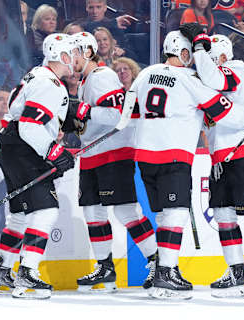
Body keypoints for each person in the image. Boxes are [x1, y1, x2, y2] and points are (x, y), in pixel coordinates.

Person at [129, 29, 244, 299]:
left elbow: (127, 112)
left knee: (163, 215)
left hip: (144, 155)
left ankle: (166, 269)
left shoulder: (145, 73)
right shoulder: (191, 79)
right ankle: (165, 274)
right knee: (176, 214)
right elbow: (224, 111)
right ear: (184, 52)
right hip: (174, 155)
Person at [179, 24, 244, 298]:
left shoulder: (237, 68)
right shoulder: (208, 79)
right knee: (224, 216)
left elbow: (214, 79)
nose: (207, 61)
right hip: (220, 158)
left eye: (212, 56)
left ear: (222, 56)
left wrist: (199, 44)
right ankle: (236, 273)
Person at [62, 32, 158, 293]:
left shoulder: (102, 77)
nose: (71, 59)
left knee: (126, 211)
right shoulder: (86, 81)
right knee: (93, 212)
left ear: (89, 53)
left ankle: (157, 262)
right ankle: (105, 267)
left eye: (75, 53)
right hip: (92, 154)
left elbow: (115, 115)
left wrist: (83, 111)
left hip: (113, 154)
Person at [0, 33, 77, 299]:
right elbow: (29, 125)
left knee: (20, 216)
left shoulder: (36, 75)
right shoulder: (49, 82)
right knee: (46, 211)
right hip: (27, 151)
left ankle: (2, 272)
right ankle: (27, 274)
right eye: (71, 53)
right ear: (61, 56)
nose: (74, 58)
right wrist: (53, 150)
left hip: (12, 149)